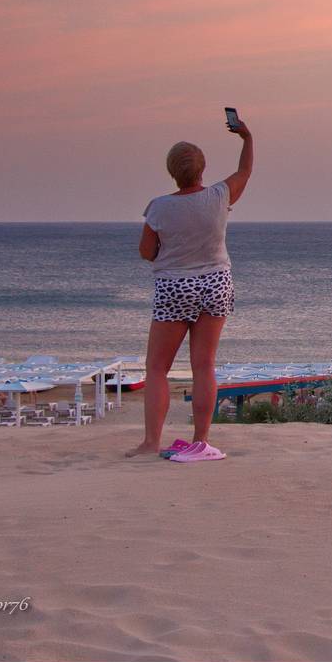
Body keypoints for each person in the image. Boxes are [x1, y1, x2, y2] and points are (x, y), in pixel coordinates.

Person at [126, 117, 254, 461]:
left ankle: (152, 442)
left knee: (156, 369)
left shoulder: (159, 207)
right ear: (203, 169)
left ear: (172, 172)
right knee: (204, 366)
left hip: (174, 286)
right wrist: (247, 138)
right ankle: (200, 440)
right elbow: (244, 172)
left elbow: (145, 252)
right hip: (216, 282)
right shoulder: (218, 196)